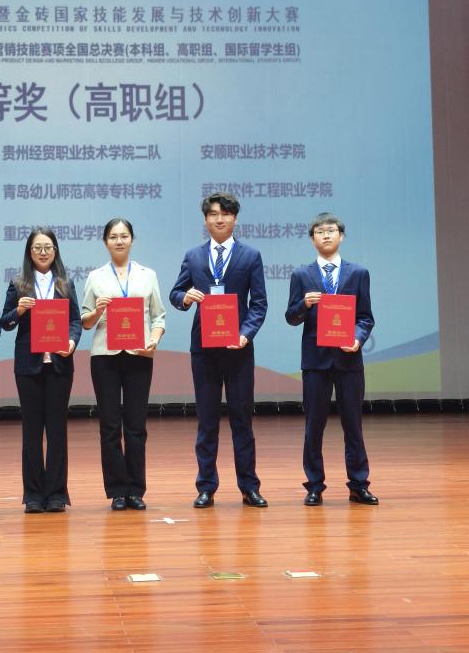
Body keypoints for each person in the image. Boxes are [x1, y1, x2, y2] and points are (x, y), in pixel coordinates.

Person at [170, 191, 268, 508]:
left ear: (235, 218)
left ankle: (249, 487)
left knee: (242, 421)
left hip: (238, 350)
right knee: (207, 421)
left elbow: (259, 304)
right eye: (213, 214)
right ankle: (206, 487)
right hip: (204, 349)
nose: (219, 219)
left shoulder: (250, 256)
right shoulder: (194, 256)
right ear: (205, 220)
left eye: (225, 214)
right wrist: (185, 298)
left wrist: (245, 334)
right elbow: (175, 293)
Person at [285, 213, 377, 506]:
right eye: (320, 232)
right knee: (314, 426)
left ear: (341, 236)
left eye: (331, 230)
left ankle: (359, 485)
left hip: (349, 360)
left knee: (353, 425)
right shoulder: (301, 275)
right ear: (312, 239)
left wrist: (358, 339)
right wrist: (304, 304)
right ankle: (314, 485)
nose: (326, 235)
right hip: (316, 362)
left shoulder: (358, 273)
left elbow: (365, 317)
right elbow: (291, 317)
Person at [80, 217, 166, 511]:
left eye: (124, 236)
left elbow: (158, 315)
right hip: (104, 356)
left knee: (136, 424)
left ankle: (136, 490)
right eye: (113, 237)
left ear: (132, 239)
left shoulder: (147, 275)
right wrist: (97, 311)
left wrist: (154, 339)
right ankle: (117, 490)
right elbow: (85, 321)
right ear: (105, 242)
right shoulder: (95, 277)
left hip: (139, 354)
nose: (119, 241)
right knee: (109, 425)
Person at [0, 226, 82, 513]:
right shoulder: (19, 283)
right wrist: (19, 310)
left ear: (55, 251)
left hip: (59, 364)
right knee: (32, 431)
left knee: (57, 430)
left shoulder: (65, 283)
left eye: (48, 247)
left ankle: (57, 494)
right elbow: (5, 322)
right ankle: (33, 494)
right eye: (38, 248)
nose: (43, 252)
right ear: (29, 252)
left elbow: (75, 321)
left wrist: (71, 342)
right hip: (28, 366)